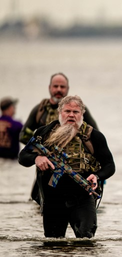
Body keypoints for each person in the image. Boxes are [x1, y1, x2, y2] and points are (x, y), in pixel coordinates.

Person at [19, 95, 115, 238]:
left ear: (82, 114)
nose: (71, 115)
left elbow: (110, 165)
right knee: (53, 243)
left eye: (75, 112)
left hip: (83, 195)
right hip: (53, 197)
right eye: (67, 111)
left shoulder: (93, 136)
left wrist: (97, 176)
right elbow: (23, 157)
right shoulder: (44, 133)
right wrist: (37, 158)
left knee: (86, 239)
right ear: (60, 113)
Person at [20, 72, 99, 144]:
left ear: (67, 88)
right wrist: (39, 149)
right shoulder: (40, 110)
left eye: (62, 87)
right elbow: (23, 135)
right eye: (55, 86)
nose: (59, 89)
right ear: (49, 88)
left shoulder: (79, 109)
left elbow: (96, 135)